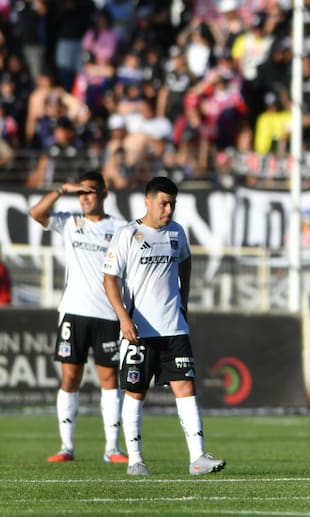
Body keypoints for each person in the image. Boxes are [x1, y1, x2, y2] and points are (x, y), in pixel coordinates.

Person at [102, 176, 225, 476]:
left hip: (174, 327)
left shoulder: (176, 233)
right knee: (136, 392)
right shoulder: (128, 234)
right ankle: (135, 460)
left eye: (172, 204)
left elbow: (185, 261)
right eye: (163, 203)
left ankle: (197, 458)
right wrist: (123, 318)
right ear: (147, 201)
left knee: (186, 387)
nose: (168, 209)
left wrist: (184, 298)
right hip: (139, 331)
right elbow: (109, 279)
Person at [28, 170, 128, 464]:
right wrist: (61, 190)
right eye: (81, 193)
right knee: (70, 377)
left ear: (104, 194)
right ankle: (66, 447)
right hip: (74, 311)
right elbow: (36, 212)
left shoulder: (120, 228)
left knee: (109, 379)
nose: (85, 197)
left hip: (109, 314)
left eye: (91, 191)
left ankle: (112, 448)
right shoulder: (70, 222)